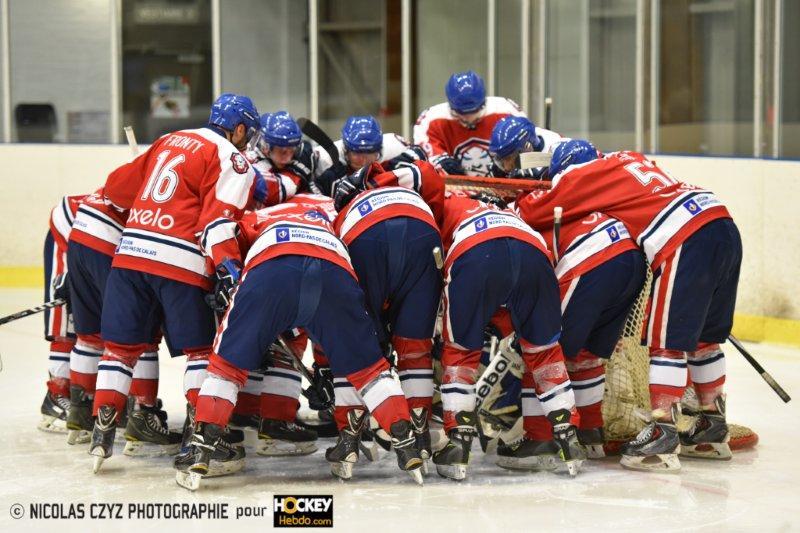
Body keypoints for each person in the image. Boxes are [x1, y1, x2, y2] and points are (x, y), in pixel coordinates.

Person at [520, 139, 741, 472]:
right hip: (720, 220)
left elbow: (537, 210)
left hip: (685, 236)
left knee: (665, 342)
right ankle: (712, 424)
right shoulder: (628, 160)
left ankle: (662, 428)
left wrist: (521, 193)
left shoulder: (584, 173)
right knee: (704, 340)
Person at [179, 194, 424, 490]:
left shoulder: (264, 214)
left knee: (226, 367)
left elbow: (217, 229)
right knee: (369, 369)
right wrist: (324, 366)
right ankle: (405, 437)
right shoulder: (333, 214)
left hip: (273, 262)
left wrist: (229, 273)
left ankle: (202, 445)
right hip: (334, 266)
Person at [88, 93, 260, 473]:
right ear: (240, 129)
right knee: (201, 353)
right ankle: (201, 437)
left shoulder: (169, 139)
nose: (248, 144)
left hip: (130, 257)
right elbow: (216, 226)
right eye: (249, 136)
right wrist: (228, 270)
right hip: (180, 265)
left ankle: (102, 433)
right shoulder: (233, 159)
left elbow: (116, 189)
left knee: (119, 351)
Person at [433, 191, 585, 480]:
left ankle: (458, 443)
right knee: (545, 353)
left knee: (460, 352)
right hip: (534, 252)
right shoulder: (513, 213)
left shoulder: (450, 203)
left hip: (474, 249)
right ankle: (569, 438)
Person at [328, 158, 444, 466]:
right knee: (416, 345)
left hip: (363, 235)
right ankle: (420, 434)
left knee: (357, 344)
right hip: (423, 231)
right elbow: (434, 178)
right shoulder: (402, 176)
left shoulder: (339, 208)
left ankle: (348, 439)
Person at [515, 196, 647, 461]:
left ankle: (539, 438)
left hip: (593, 260)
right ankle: (590, 432)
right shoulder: (584, 202)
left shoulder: (525, 213)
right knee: (586, 355)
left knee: (540, 348)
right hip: (632, 261)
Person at [413, 70, 526, 177]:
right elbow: (423, 148)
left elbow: (527, 141)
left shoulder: (506, 110)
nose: (468, 118)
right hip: (456, 190)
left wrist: (511, 161)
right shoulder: (431, 119)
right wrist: (439, 160)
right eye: (461, 113)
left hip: (504, 187)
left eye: (474, 111)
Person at [312, 115, 426, 196]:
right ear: (346, 150)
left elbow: (422, 157)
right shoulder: (327, 168)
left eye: (370, 153)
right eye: (357, 153)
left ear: (379, 150)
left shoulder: (395, 149)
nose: (363, 161)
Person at [245, 111, 315, 207]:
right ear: (266, 146)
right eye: (282, 151)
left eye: (292, 150)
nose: (287, 158)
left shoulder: (300, 162)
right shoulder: (251, 153)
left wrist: (241, 166)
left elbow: (272, 192)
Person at [488, 115, 564, 180]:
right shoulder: (530, 135)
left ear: (527, 147)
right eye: (500, 159)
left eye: (508, 158)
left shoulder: (560, 154)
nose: (506, 168)